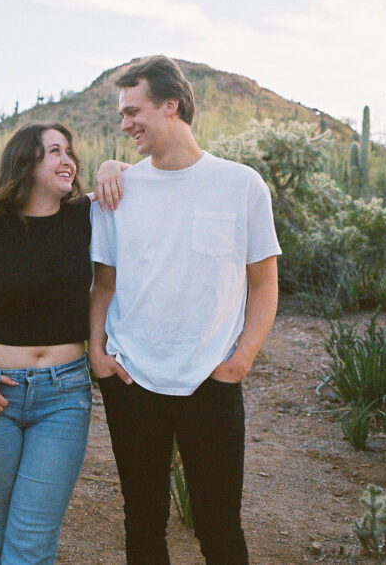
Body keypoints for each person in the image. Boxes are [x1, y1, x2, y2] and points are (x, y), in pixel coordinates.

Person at [89, 55, 280, 564]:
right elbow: (104, 282)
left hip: (210, 383)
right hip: (132, 381)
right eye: (122, 114)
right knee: (143, 523)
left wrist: (240, 361)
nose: (125, 124)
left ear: (171, 105)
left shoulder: (241, 185)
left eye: (133, 111)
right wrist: (97, 355)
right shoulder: (118, 190)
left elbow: (263, 284)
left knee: (220, 527)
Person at [0, 122, 125, 565]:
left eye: (71, 153)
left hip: (62, 398)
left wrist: (114, 164)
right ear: (27, 163)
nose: (69, 161)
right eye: (55, 151)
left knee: (32, 537)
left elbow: (135, 182)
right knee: (1, 530)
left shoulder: (87, 217)